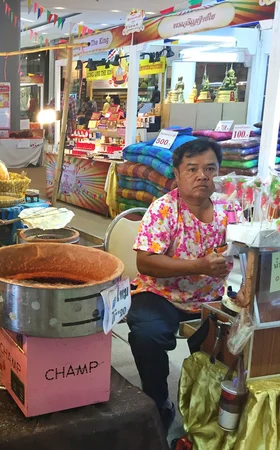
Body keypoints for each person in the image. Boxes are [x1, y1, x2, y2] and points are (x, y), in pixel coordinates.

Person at [128, 138, 246, 430]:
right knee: (148, 334)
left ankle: (206, 407)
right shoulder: (164, 210)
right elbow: (146, 262)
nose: (202, 176)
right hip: (161, 294)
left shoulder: (228, 209)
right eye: (192, 168)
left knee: (236, 341)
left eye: (209, 168)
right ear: (177, 174)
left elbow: (246, 249)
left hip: (210, 298)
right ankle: (157, 403)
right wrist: (199, 265)